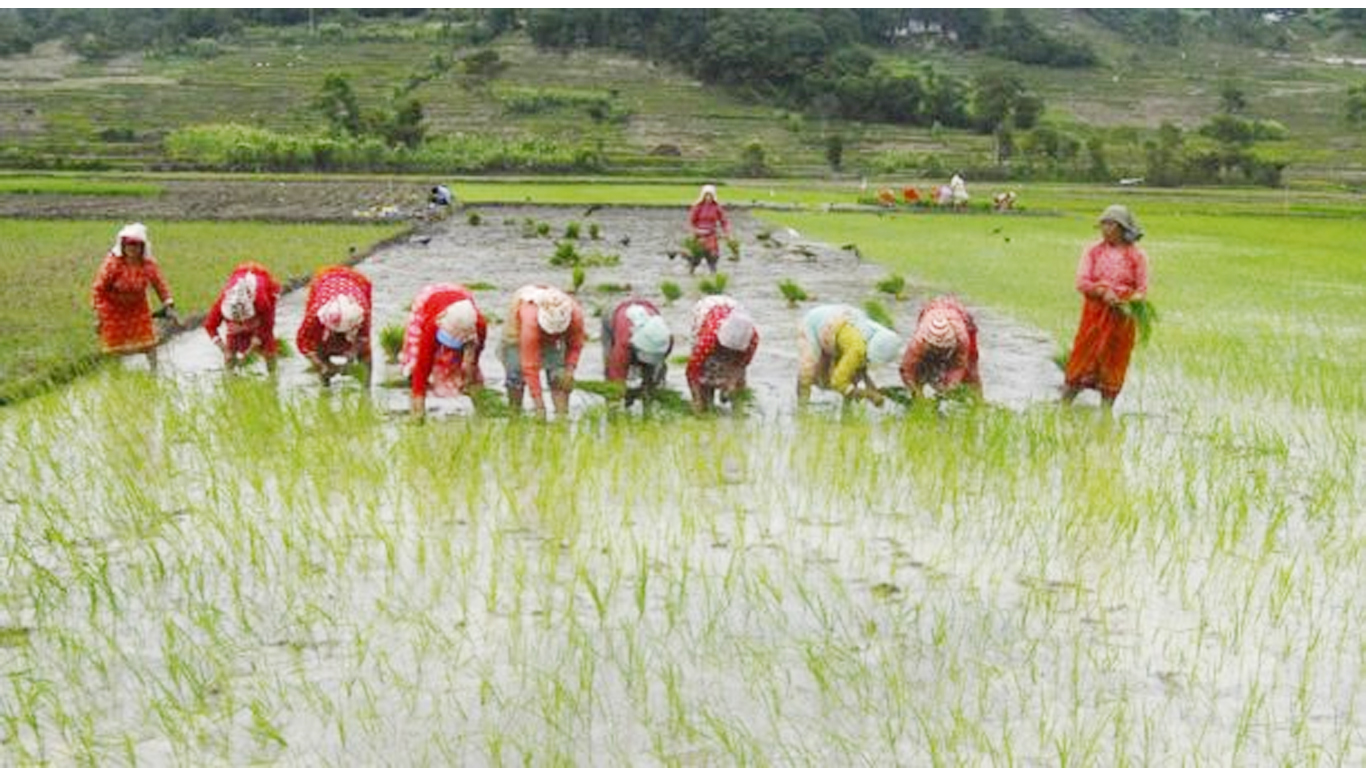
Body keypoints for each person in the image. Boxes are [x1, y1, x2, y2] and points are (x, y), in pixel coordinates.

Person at [1062, 204, 1150, 407]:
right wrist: (1103, 291)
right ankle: (1065, 405)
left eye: (1110, 224)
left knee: (1114, 359)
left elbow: (1142, 289)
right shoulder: (1093, 251)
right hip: (1094, 315)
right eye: (1103, 224)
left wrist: (1128, 300)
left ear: (1122, 228)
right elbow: (1082, 282)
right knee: (1083, 356)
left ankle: (1106, 411)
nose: (1105, 229)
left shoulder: (1137, 256)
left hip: (1122, 317)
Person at [91, 222, 177, 372]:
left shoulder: (147, 264)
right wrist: (99, 315)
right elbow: (99, 289)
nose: (132, 248)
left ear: (142, 247)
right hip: (113, 308)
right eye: (129, 245)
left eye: (136, 245)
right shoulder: (113, 264)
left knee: (148, 342)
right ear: (123, 246)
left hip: (138, 307)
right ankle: (115, 375)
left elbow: (159, 283)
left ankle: (154, 372)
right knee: (115, 346)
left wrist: (168, 303)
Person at [400, 283, 487, 418]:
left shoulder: (479, 325)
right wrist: (418, 415)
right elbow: (422, 367)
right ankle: (415, 408)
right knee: (417, 362)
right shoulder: (433, 325)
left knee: (470, 370)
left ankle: (483, 412)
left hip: (462, 302)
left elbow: (474, 359)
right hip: (429, 299)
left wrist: (467, 371)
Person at [501, 284, 585, 418]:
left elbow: (575, 344)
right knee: (515, 371)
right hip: (517, 330)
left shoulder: (575, 314)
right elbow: (529, 366)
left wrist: (570, 369)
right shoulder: (530, 320)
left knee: (559, 375)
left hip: (556, 336)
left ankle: (562, 415)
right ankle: (514, 414)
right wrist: (539, 406)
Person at [797, 304, 903, 406]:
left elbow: (862, 369)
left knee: (852, 373)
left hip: (838, 328)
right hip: (815, 323)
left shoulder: (868, 337)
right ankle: (802, 409)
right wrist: (868, 395)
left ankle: (847, 412)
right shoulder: (857, 349)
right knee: (808, 371)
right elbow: (837, 381)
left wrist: (873, 388)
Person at [296, 265, 373, 387]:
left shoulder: (361, 312)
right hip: (325, 281)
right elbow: (304, 343)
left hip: (356, 282)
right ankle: (325, 382)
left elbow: (364, 338)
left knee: (365, 353)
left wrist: (352, 354)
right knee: (319, 344)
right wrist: (320, 364)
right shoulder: (316, 315)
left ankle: (367, 388)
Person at [203, 262, 282, 374]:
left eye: (244, 321)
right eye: (237, 321)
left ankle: (273, 376)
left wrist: (250, 350)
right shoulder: (222, 303)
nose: (241, 323)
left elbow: (267, 324)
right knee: (232, 343)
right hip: (239, 279)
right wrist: (224, 350)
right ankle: (229, 377)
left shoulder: (261, 300)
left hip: (264, 285)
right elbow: (209, 326)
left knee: (267, 343)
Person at [900, 295, 981, 400]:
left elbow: (960, 365)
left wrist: (950, 387)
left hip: (959, 316)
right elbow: (906, 369)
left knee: (971, 372)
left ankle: (978, 403)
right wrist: (916, 392)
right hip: (931, 312)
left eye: (943, 349)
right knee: (920, 370)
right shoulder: (919, 342)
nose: (940, 351)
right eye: (937, 349)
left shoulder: (962, 338)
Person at [687, 295, 758, 414]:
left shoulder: (751, 337)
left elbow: (742, 365)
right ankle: (707, 402)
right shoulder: (707, 339)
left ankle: (735, 404)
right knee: (706, 372)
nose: (729, 352)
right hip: (707, 308)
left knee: (736, 383)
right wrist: (697, 399)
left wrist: (731, 383)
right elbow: (692, 371)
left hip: (733, 308)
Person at [602, 298, 673, 408]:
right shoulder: (624, 343)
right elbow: (617, 371)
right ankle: (611, 409)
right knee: (610, 366)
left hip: (648, 308)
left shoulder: (665, 338)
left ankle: (648, 402)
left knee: (652, 377)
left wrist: (650, 384)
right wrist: (618, 393)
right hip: (615, 313)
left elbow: (661, 362)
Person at [687, 184, 732, 275]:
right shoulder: (697, 207)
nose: (708, 197)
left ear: (713, 196)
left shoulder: (716, 208)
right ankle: (691, 272)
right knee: (696, 259)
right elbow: (691, 222)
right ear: (703, 195)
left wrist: (727, 232)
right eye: (706, 195)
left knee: (713, 257)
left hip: (711, 235)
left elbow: (724, 221)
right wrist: (695, 231)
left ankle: (713, 276)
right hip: (699, 236)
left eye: (710, 195)